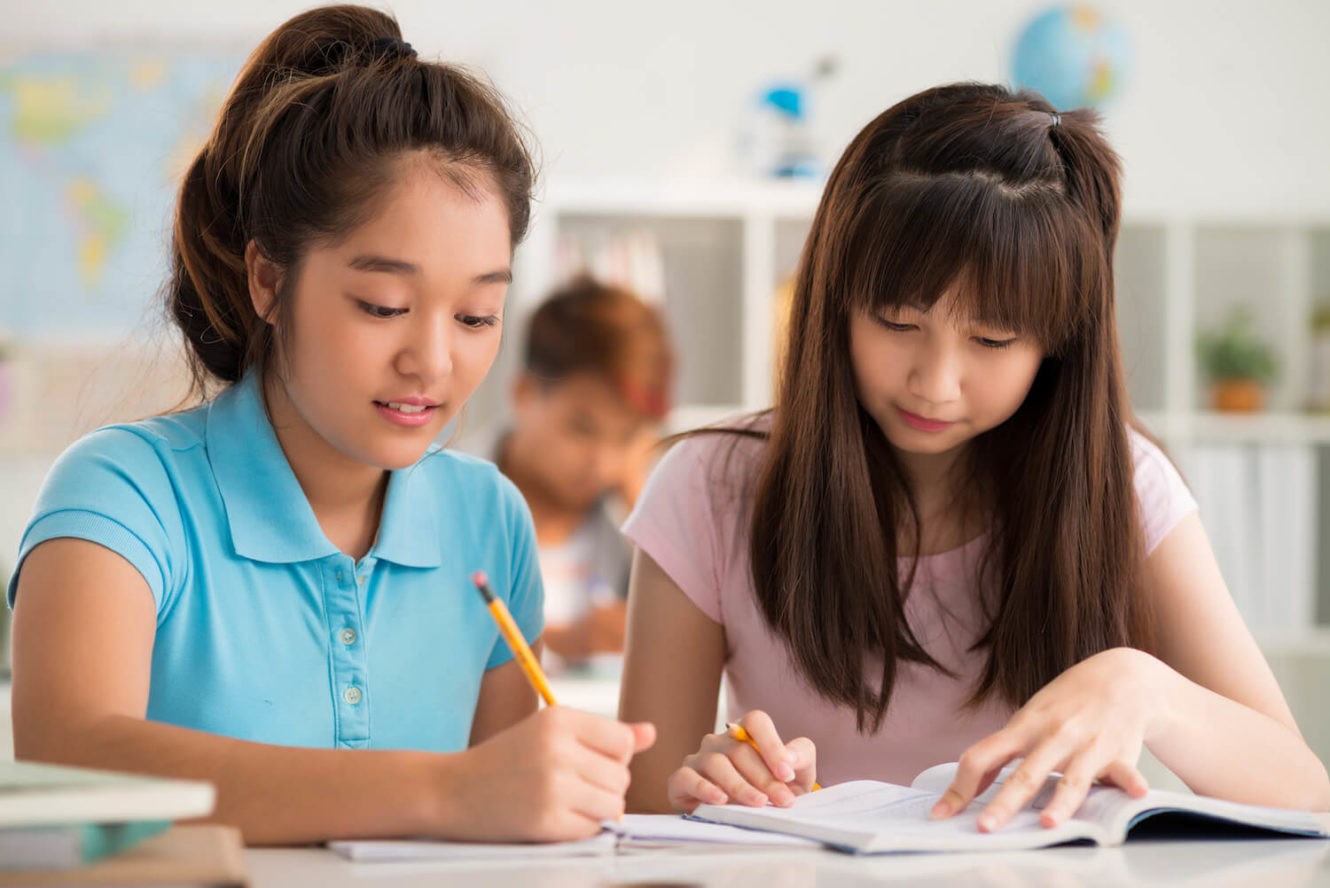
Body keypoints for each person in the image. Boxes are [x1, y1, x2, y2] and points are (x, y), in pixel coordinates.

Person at [8, 5, 653, 846]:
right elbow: (72, 757)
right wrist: (447, 790)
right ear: (269, 281)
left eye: (475, 316)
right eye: (383, 305)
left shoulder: (489, 520)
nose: (431, 361)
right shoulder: (124, 494)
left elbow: (508, 829)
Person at [618, 82, 1330, 827]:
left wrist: (1148, 692)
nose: (937, 383)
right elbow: (642, 811)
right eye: (897, 322)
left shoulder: (1121, 484)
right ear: (833, 303)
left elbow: (1303, 789)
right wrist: (707, 782)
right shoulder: (706, 487)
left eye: (992, 341)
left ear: (1059, 342)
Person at [471, 276, 672, 669]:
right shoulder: (446, 493)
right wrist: (564, 643)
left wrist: (641, 500)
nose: (603, 461)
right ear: (524, 395)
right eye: (583, 428)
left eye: (627, 435)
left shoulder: (628, 512)